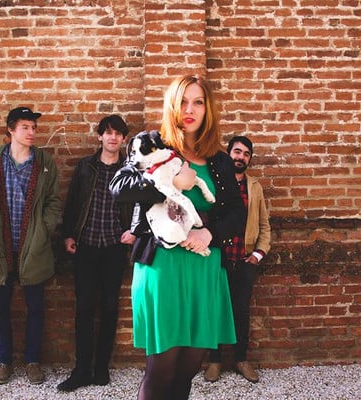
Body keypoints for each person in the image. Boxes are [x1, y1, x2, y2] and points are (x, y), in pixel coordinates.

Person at [109, 75, 246, 400]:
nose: (190, 109)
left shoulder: (219, 160)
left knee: (187, 371)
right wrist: (170, 183)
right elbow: (118, 187)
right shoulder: (151, 143)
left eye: (198, 102)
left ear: (207, 109)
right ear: (172, 105)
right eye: (183, 101)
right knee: (161, 372)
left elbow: (237, 213)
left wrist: (209, 233)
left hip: (204, 270)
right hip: (163, 267)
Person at [0, 106, 61, 385]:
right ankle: (4, 361)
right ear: (11, 130)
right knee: (0, 308)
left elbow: (53, 201)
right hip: (1, 244)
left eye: (33, 127)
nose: (31, 132)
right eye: (25, 127)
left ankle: (32, 361)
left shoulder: (44, 162)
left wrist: (44, 228)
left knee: (35, 307)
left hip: (33, 245)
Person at [57, 115, 135, 392]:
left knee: (110, 307)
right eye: (108, 133)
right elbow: (73, 202)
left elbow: (142, 205)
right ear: (100, 136)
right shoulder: (86, 167)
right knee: (85, 308)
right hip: (86, 246)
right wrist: (68, 234)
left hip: (115, 247)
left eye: (118, 134)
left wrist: (134, 231)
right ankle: (81, 370)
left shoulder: (130, 171)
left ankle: (101, 367)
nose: (113, 138)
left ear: (124, 139)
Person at [203, 136, 271, 383]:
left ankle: (241, 359)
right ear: (228, 153)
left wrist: (258, 253)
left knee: (241, 312)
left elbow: (264, 225)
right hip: (218, 258)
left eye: (246, 154)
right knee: (215, 309)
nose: (240, 157)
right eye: (237, 152)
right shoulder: (216, 182)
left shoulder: (254, 187)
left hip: (243, 260)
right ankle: (214, 361)